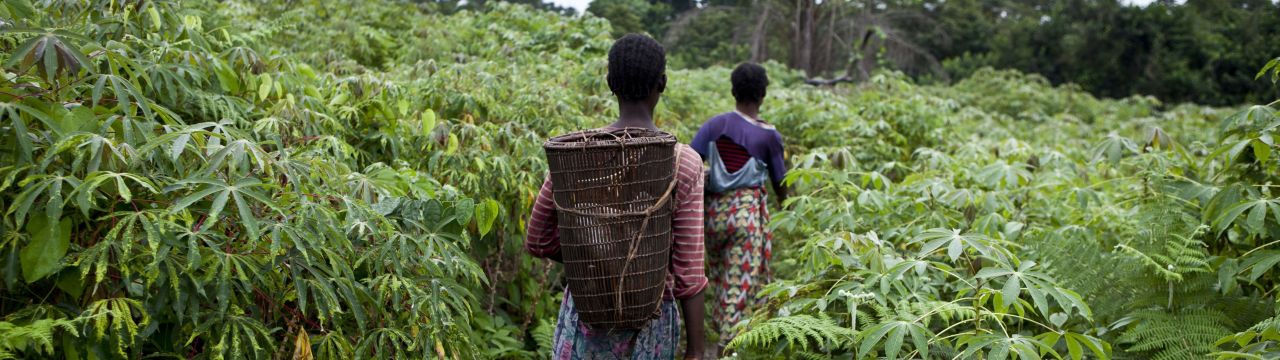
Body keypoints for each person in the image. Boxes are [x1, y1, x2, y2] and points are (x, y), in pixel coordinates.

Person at [525, 34, 707, 360]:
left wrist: (598, 259)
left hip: (587, 312)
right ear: (662, 83)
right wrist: (696, 350)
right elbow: (689, 274)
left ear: (610, 82)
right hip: (651, 321)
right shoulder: (684, 162)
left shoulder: (575, 156)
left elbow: (538, 239)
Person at [689, 62, 787, 351]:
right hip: (745, 217)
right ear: (763, 94)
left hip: (713, 217)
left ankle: (723, 335)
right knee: (740, 288)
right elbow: (781, 181)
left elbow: (690, 162)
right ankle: (725, 349)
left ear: (733, 91)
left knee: (722, 281)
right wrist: (789, 210)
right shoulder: (768, 135)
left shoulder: (714, 125)